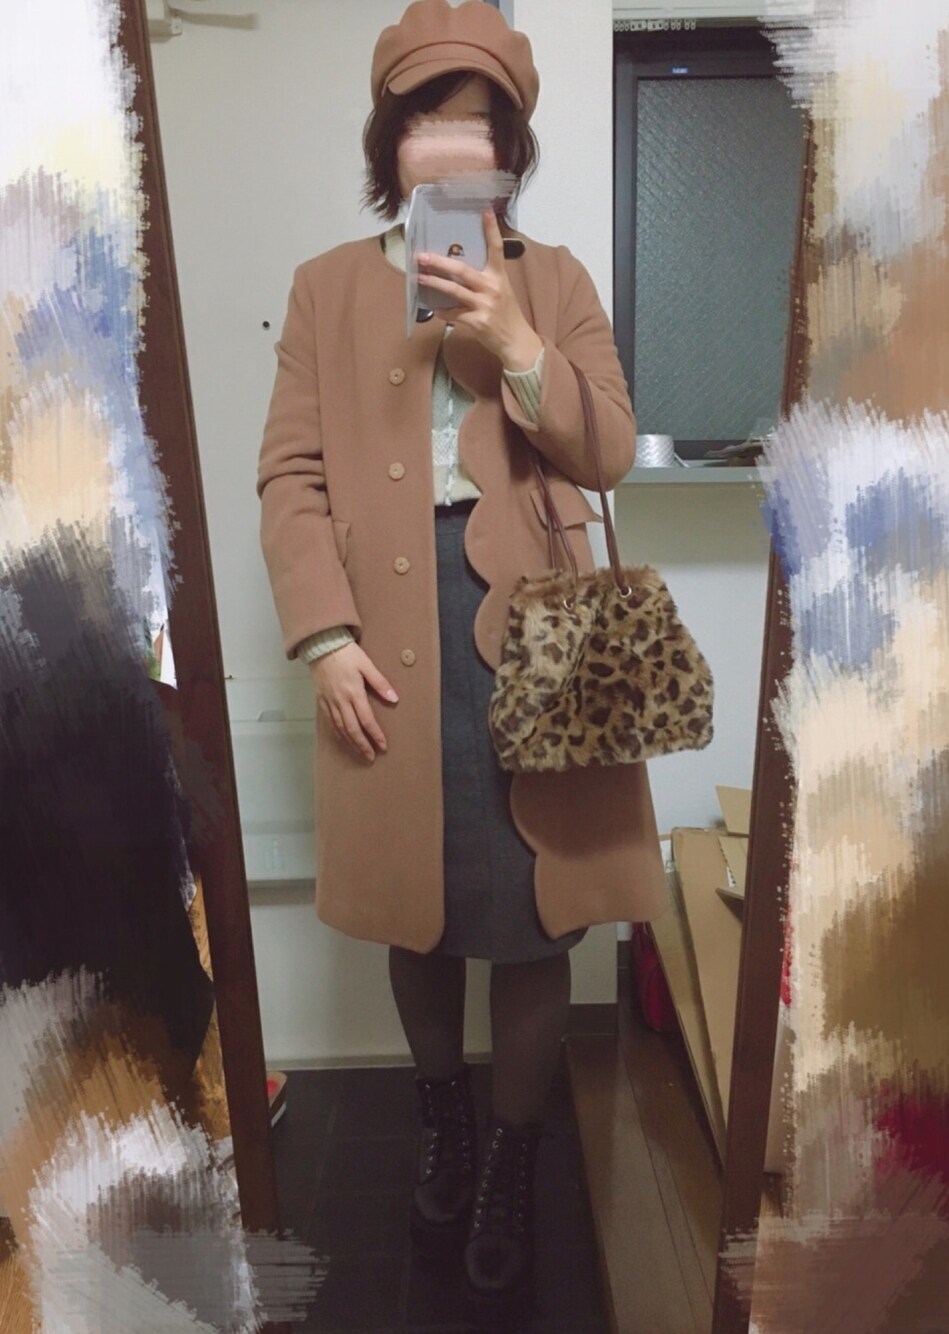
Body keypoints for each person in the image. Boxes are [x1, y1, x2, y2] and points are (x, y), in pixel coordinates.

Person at [257, 0, 666, 1302]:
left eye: (478, 122)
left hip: (537, 631)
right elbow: (290, 477)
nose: (450, 142)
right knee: (415, 904)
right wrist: (323, 636)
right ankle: (445, 1121)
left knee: (538, 914)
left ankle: (515, 1158)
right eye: (426, 118)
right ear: (392, 142)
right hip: (382, 632)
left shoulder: (555, 280)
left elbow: (608, 452)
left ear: (508, 151)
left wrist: (518, 343)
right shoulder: (327, 285)